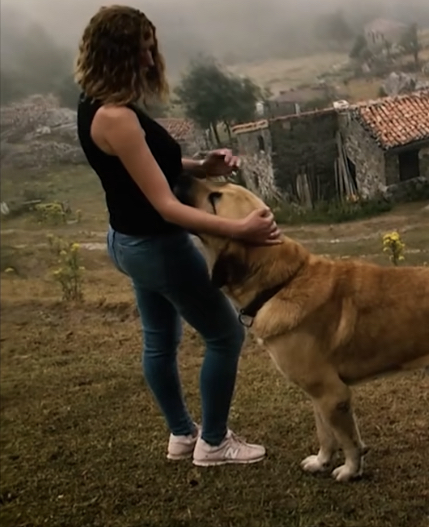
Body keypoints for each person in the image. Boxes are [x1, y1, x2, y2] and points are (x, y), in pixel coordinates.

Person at [74, 5, 282, 466]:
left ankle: (182, 436)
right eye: (143, 52)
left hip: (127, 241)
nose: (151, 61)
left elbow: (140, 168)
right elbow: (166, 205)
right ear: (117, 54)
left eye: (151, 49)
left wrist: (200, 166)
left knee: (158, 341)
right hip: (156, 245)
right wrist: (241, 229)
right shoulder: (116, 117)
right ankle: (213, 442)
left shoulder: (94, 101)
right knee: (227, 336)